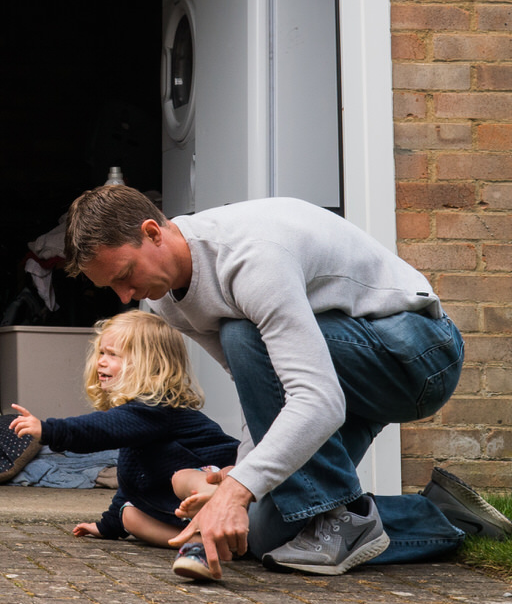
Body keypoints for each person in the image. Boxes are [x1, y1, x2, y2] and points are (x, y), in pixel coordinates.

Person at [62, 184, 512, 576]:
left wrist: (237, 491)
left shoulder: (250, 257)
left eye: (125, 276)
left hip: (417, 355)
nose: (126, 297)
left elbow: (316, 401)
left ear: (152, 233)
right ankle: (446, 517)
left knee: (242, 334)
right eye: (113, 288)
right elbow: (258, 388)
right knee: (264, 533)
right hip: (341, 377)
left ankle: (350, 518)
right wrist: (240, 474)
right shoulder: (166, 300)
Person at [8, 310, 240, 582]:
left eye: (112, 355)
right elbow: (132, 483)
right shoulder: (136, 423)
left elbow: (99, 430)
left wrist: (49, 430)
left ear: (148, 364)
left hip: (232, 491)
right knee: (129, 513)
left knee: (181, 478)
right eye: (100, 353)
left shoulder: (156, 408)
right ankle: (196, 543)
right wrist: (106, 526)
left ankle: (213, 530)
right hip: (186, 514)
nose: (100, 362)